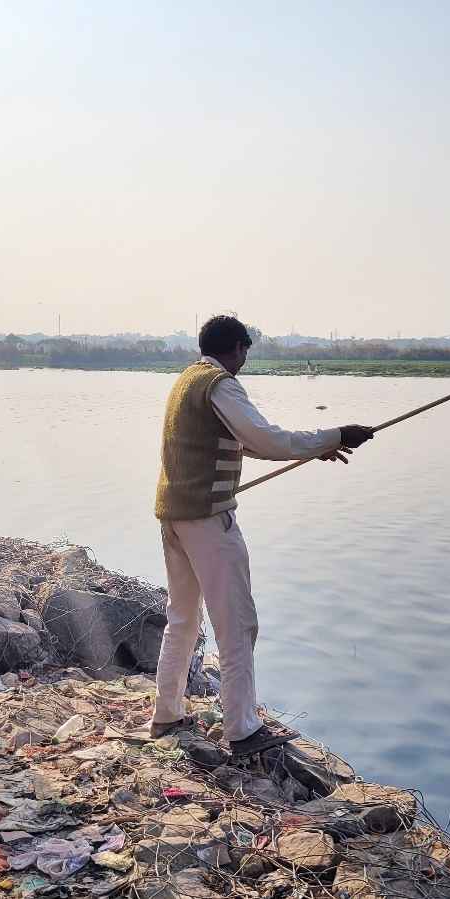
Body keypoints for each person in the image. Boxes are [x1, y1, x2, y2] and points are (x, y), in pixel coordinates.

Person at [151, 315, 374, 755]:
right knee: (237, 624)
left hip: (174, 516)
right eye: (246, 350)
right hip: (208, 521)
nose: (245, 360)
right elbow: (267, 438)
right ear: (236, 347)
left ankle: (167, 713)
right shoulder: (220, 383)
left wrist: (321, 447)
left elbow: (242, 441)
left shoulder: (187, 380)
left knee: (184, 618)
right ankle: (242, 729)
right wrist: (337, 432)